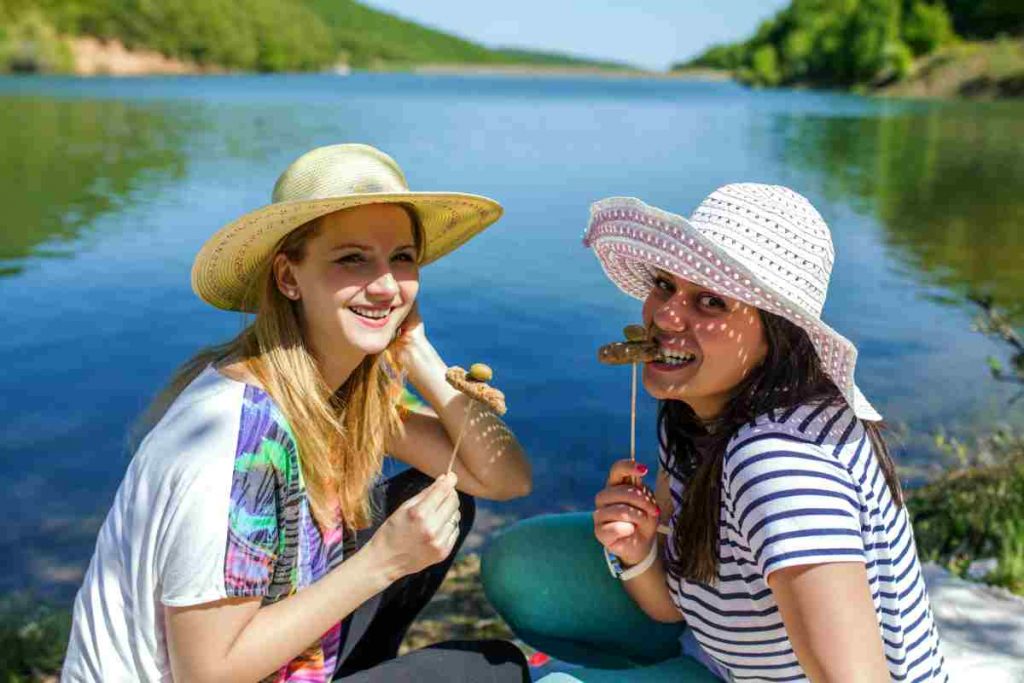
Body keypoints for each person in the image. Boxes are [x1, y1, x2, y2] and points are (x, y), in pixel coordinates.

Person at [63, 143, 533, 682]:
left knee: (444, 497)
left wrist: (417, 350)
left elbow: (502, 477)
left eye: (402, 258)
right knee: (492, 671)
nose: (385, 285)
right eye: (352, 258)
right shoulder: (241, 439)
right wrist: (383, 561)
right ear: (288, 277)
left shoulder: (333, 390)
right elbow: (204, 675)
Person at [482, 184, 946, 681]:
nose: (663, 315)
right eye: (664, 284)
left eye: (709, 301)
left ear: (778, 334)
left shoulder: (778, 467)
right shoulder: (694, 412)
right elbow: (673, 608)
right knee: (521, 564)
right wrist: (636, 553)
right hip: (723, 659)